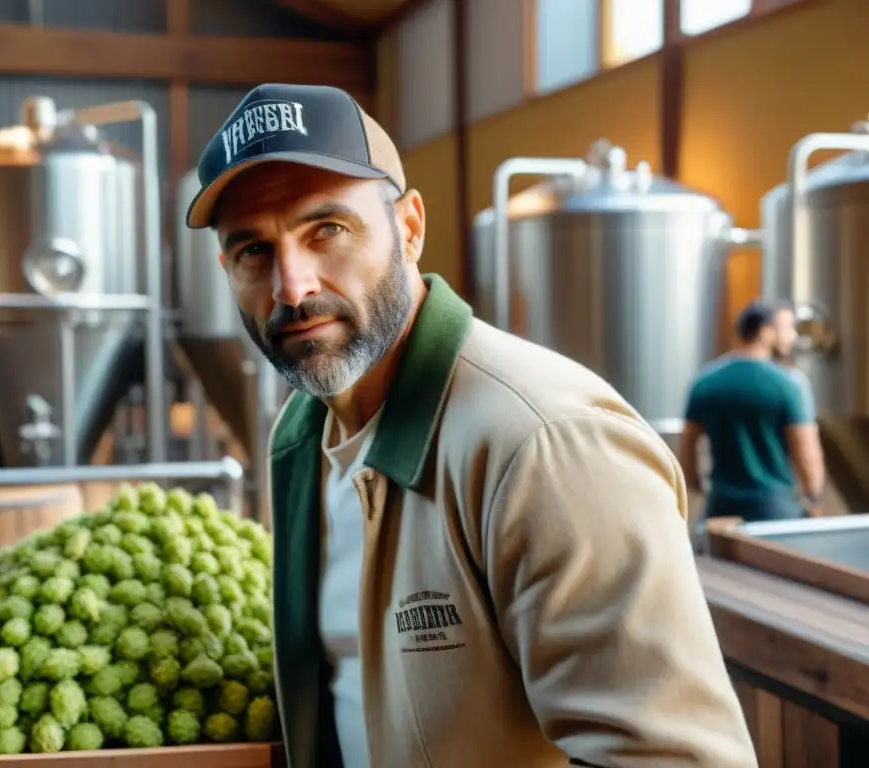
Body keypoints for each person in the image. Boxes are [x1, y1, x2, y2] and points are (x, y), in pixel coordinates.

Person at [186, 83, 756, 768]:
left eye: (326, 230)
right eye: (253, 251)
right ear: (226, 268)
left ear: (411, 228)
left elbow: (672, 758)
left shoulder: (544, 444)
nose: (293, 286)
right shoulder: (303, 437)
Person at [679, 300, 825, 523]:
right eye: (787, 328)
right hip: (773, 511)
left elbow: (687, 443)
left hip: (720, 509)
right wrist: (812, 496)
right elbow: (805, 450)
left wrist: (695, 483)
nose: (792, 336)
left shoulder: (705, 381)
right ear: (766, 332)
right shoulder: (789, 384)